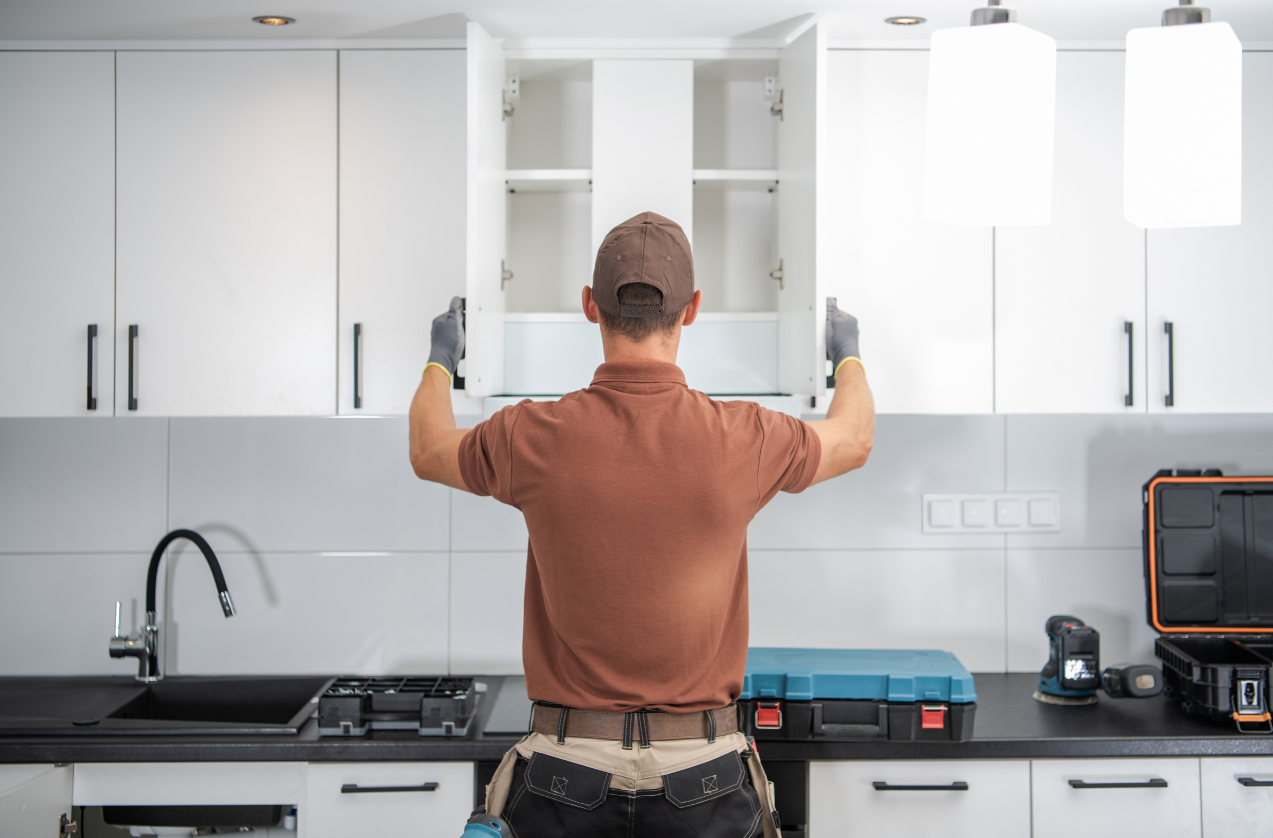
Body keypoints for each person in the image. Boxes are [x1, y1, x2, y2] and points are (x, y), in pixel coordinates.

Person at [409, 211, 874, 838]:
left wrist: (442, 358)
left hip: (564, 777)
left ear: (589, 306)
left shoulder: (529, 436)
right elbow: (854, 438)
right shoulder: (745, 437)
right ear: (692, 310)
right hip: (703, 778)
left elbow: (428, 447)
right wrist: (846, 354)